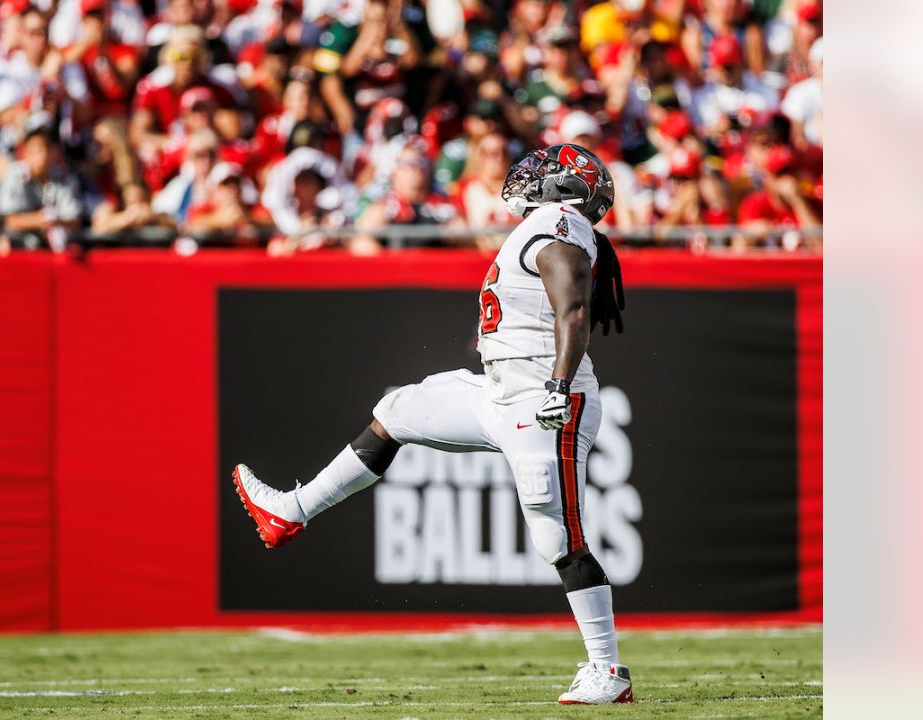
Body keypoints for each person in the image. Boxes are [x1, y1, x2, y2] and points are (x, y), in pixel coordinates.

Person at [231, 143, 633, 705]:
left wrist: (559, 386)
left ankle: (608, 671)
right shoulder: (549, 223)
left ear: (567, 187)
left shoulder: (558, 221)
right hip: (501, 389)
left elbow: (573, 311)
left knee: (556, 534)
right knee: (398, 411)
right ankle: (290, 511)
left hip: (541, 397)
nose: (533, 175)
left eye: (548, 170)